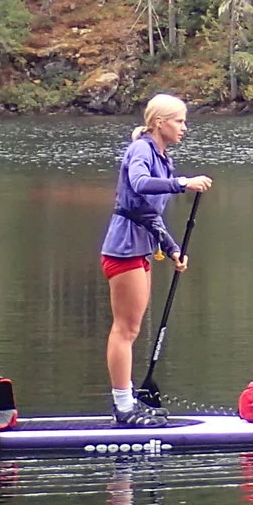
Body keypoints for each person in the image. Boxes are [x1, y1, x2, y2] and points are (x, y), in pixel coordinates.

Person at [101, 93, 213, 423]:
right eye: (179, 121)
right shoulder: (141, 150)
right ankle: (123, 406)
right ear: (159, 122)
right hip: (124, 249)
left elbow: (149, 214)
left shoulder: (161, 157)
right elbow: (139, 184)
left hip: (142, 249)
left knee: (130, 328)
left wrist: (172, 246)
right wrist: (183, 183)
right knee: (125, 329)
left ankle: (128, 400)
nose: (184, 128)